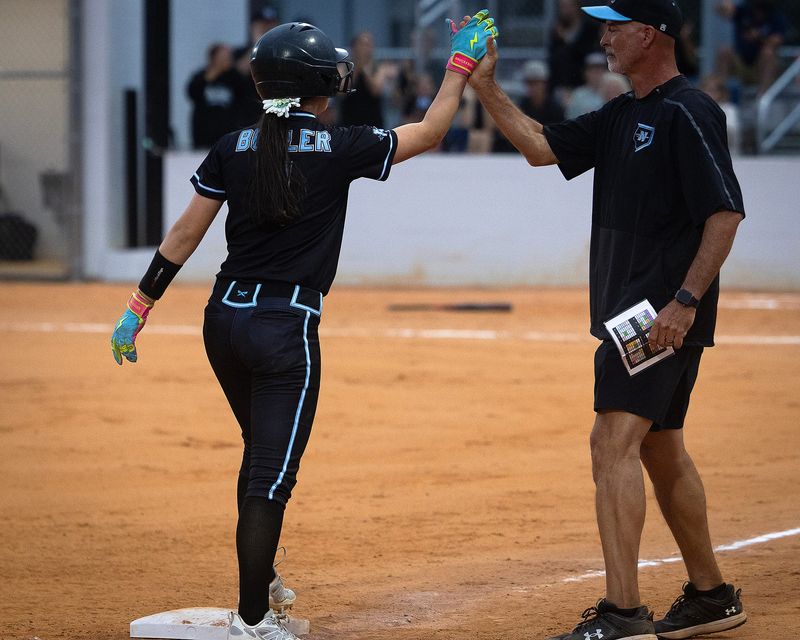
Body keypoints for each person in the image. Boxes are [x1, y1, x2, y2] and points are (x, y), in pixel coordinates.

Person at [110, 13, 498, 640]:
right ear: (316, 86)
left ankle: (258, 586)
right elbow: (428, 131)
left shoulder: (233, 144)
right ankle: (255, 622)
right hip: (285, 327)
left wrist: (138, 308)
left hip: (223, 323)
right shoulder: (339, 146)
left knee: (258, 456)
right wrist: (458, 67)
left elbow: (186, 233)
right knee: (271, 474)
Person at [467, 0, 747, 639]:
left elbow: (724, 213)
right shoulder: (625, 113)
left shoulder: (688, 110)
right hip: (642, 314)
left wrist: (683, 302)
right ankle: (712, 596)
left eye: (615, 27)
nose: (604, 37)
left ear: (649, 34)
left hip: (656, 315)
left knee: (611, 444)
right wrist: (485, 85)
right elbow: (541, 147)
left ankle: (623, 613)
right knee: (659, 445)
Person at [717, 0, 789, 94]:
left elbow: (777, 40)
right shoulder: (744, 11)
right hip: (741, 63)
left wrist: (758, 37)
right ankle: (720, 94)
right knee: (724, 51)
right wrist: (725, 4)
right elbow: (721, 10)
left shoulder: (776, 17)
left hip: (760, 67)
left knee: (768, 53)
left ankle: (763, 97)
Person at [493, 60, 564, 153]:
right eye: (530, 83)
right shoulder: (520, 106)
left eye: (537, 83)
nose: (533, 87)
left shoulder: (556, 108)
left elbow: (558, 136)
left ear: (545, 84)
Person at [186, 43, 248, 148]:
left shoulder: (234, 77)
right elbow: (192, 93)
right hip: (204, 135)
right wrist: (214, 72)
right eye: (223, 56)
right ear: (214, 58)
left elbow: (244, 97)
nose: (227, 59)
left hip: (228, 135)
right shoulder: (201, 76)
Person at [338, 32, 397, 128]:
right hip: (348, 123)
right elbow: (342, 91)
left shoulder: (379, 67)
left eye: (368, 45)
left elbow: (375, 90)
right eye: (361, 45)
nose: (365, 49)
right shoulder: (344, 67)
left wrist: (365, 68)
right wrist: (355, 67)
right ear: (354, 47)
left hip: (373, 123)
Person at [234, 7, 282, 124]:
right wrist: (259, 41)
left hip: (276, 116)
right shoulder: (240, 53)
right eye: (263, 24)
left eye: (271, 24)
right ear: (252, 26)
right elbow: (239, 72)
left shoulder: (283, 52)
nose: (267, 28)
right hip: (246, 115)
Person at [548, 0, 602, 102]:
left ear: (576, 7)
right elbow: (553, 57)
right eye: (563, 7)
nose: (565, 11)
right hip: (562, 84)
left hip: (584, 82)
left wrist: (566, 40)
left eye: (568, 6)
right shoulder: (557, 29)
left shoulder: (588, 28)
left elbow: (585, 53)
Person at [564, 52, 609, 119]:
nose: (597, 74)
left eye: (600, 70)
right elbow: (570, 119)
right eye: (593, 70)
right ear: (586, 73)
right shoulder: (578, 94)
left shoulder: (612, 90)